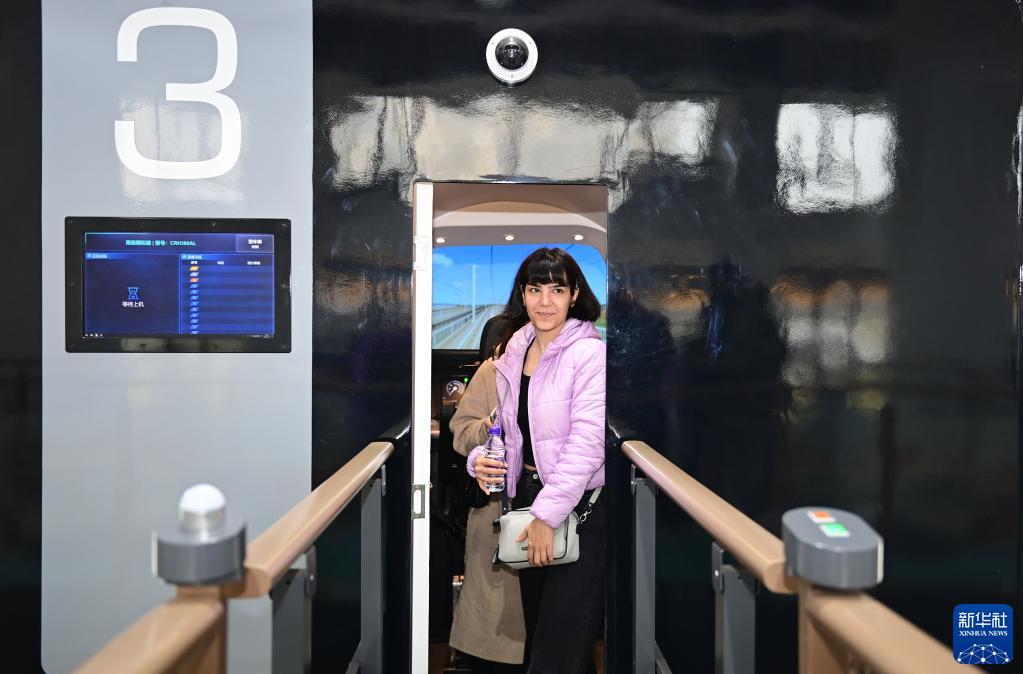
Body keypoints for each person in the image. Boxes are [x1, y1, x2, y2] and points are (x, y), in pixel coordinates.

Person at [466, 247, 606, 674]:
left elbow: (588, 443)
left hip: (576, 507)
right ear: (523, 295)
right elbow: (508, 431)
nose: (545, 301)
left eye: (557, 290)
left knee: (558, 649)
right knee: (547, 639)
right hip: (527, 502)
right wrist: (480, 459)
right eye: (535, 289)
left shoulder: (588, 354)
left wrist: (547, 516)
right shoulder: (514, 352)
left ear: (574, 294)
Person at [449, 352, 528, 671]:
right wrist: (489, 429)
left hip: (555, 512)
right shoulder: (493, 371)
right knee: (495, 643)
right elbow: (461, 431)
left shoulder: (577, 367)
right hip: (496, 513)